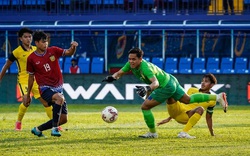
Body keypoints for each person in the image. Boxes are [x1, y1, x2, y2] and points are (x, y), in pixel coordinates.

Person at [102, 47, 228, 138]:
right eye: (129, 59)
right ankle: (217, 96)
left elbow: (155, 83)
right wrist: (112, 77)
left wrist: (147, 89)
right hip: (171, 79)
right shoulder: (130, 64)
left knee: (145, 107)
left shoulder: (146, 68)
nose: (131, 61)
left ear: (141, 59)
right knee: (187, 100)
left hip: (165, 86)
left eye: (134, 59)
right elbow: (119, 73)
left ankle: (152, 133)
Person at [23, 30, 78, 137]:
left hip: (58, 88)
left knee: (63, 119)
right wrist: (28, 94)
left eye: (46, 41)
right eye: (43, 42)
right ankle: (54, 129)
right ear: (36, 43)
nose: (46, 44)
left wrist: (73, 47)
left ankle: (38, 129)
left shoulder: (53, 50)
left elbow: (69, 52)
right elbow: (30, 77)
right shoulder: (31, 59)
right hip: (45, 89)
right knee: (59, 98)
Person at [0, 27, 53, 131]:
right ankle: (18, 122)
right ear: (21, 39)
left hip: (37, 81)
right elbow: (6, 65)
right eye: (25, 37)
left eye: (30, 36)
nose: (28, 39)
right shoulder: (17, 52)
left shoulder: (36, 49)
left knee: (46, 102)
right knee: (27, 100)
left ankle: (55, 124)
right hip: (24, 80)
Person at [157, 73, 222, 139]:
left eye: (206, 81)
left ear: (212, 85)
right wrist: (169, 118)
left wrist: (212, 133)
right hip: (177, 111)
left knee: (200, 109)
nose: (203, 83)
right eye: (202, 81)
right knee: (171, 94)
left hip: (186, 116)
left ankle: (184, 133)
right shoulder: (192, 90)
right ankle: (153, 95)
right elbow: (181, 103)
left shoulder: (212, 101)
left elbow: (209, 118)